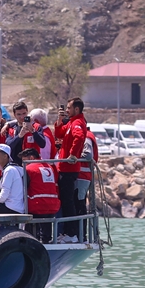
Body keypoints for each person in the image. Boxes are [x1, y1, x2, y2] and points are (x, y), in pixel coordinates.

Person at [57, 96, 89, 243]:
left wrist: (72, 155)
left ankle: (72, 233)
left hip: (69, 169)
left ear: (76, 109)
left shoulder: (77, 123)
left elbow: (80, 137)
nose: (67, 110)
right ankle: (70, 232)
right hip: (64, 168)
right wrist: (59, 120)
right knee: (66, 200)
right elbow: (59, 133)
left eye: (69, 108)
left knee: (68, 202)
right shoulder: (71, 122)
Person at [21, 147, 60, 242]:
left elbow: (23, 187)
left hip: (36, 206)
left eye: (24, 160)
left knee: (31, 233)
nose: (22, 164)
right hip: (52, 207)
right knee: (46, 232)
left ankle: (30, 242)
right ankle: (47, 240)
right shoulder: (49, 167)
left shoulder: (29, 168)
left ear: (31, 158)